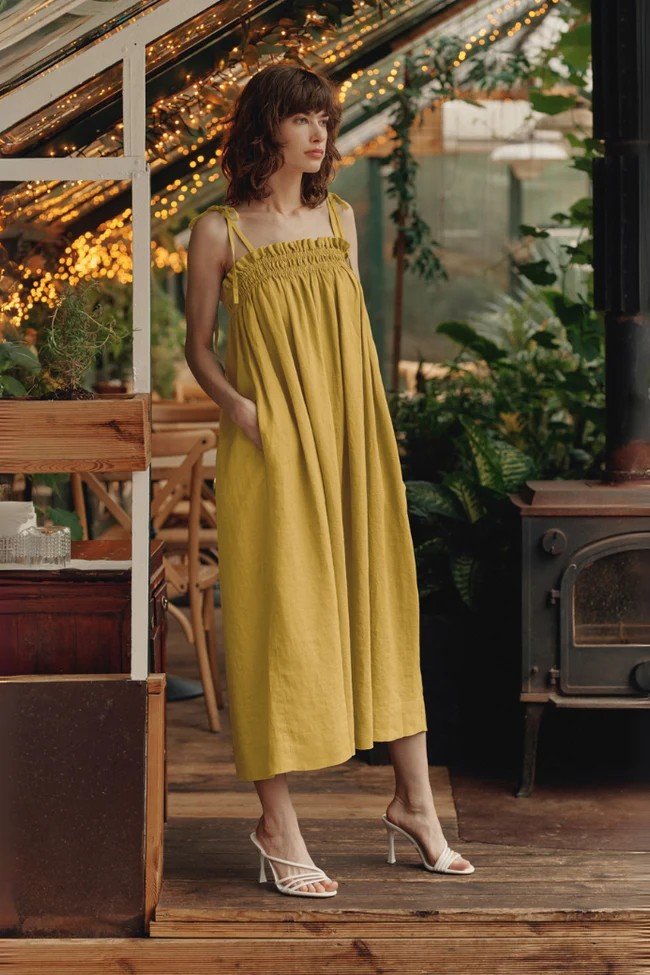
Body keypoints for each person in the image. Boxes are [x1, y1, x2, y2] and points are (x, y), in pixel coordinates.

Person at [184, 63, 474, 898]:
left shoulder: (341, 220)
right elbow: (201, 346)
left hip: (352, 440)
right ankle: (277, 823)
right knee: (281, 615)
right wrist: (240, 409)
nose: (320, 134)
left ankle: (416, 803)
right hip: (272, 446)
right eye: (304, 118)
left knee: (381, 598)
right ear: (266, 127)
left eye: (327, 119)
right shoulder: (220, 232)